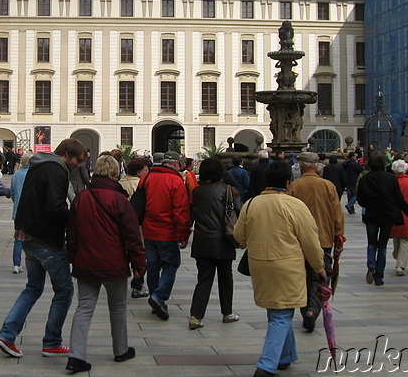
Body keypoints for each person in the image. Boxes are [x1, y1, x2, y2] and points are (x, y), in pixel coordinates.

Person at [0, 138, 87, 358]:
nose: (79, 164)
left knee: (33, 288)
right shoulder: (56, 170)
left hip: (27, 235)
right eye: (78, 159)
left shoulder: (38, 166)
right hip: (46, 239)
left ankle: (7, 335)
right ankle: (52, 341)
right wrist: (75, 219)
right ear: (67, 153)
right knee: (64, 290)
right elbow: (55, 207)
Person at [235, 160, 326, 377]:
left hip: (260, 264)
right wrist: (319, 266)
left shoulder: (252, 204)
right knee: (282, 314)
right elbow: (310, 240)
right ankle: (266, 365)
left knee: (277, 309)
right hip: (288, 265)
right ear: (288, 182)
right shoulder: (294, 205)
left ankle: (285, 355)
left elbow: (239, 236)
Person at [65, 155, 144, 373]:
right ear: (114, 173)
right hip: (114, 262)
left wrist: (73, 257)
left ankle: (76, 356)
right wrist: (139, 263)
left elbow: (71, 233)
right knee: (118, 307)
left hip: (85, 262)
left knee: (84, 307)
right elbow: (132, 235)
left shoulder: (81, 198)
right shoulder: (119, 200)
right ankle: (120, 350)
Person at [288, 151, 344, 332]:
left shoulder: (295, 186)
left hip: (301, 240)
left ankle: (306, 311)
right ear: (317, 166)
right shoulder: (328, 186)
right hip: (324, 238)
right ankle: (313, 310)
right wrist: (339, 235)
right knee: (321, 276)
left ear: (302, 166)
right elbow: (337, 214)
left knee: (304, 275)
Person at [187, 157, 239, 330]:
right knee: (226, 278)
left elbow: (191, 216)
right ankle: (227, 312)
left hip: (202, 240)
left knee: (204, 278)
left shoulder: (197, 192)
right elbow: (239, 214)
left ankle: (195, 316)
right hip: (223, 240)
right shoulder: (229, 190)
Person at [140, 150, 191, 320]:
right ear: (176, 164)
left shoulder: (148, 177)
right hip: (167, 231)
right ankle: (159, 296)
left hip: (149, 229)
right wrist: (184, 234)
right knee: (170, 265)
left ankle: (156, 300)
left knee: (153, 265)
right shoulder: (176, 181)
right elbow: (180, 210)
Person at [357, 152, 408, 286]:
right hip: (387, 214)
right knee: (382, 245)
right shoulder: (390, 178)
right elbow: (399, 199)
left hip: (372, 214)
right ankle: (379, 276)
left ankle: (371, 264)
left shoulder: (365, 178)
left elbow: (360, 199)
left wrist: (368, 203)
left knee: (371, 243)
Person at [118, 157, 152, 298]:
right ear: (138, 171)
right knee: (140, 255)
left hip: (121, 224)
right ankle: (137, 285)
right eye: (145, 170)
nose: (148, 172)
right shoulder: (140, 183)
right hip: (138, 225)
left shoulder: (120, 182)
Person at [9, 151, 33, 274]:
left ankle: (16, 264)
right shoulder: (35, 174)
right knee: (33, 239)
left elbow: (12, 193)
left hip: (18, 211)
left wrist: (16, 202)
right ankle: (33, 264)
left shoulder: (16, 174)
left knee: (18, 239)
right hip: (32, 212)